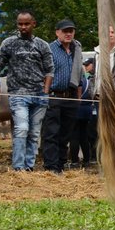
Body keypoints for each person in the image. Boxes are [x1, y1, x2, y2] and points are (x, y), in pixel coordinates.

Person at [0, 10, 54, 172]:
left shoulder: (42, 45)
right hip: (18, 93)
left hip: (39, 95)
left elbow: (49, 70)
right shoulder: (9, 43)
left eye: (26, 24)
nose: (23, 27)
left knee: (34, 133)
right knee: (21, 129)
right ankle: (18, 168)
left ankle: (29, 166)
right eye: (20, 24)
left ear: (33, 24)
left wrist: (46, 91)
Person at [40, 19, 85, 173]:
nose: (68, 34)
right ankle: (51, 166)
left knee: (66, 134)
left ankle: (60, 165)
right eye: (65, 31)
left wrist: (78, 98)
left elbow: (80, 76)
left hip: (71, 97)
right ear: (57, 32)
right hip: (53, 95)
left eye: (71, 31)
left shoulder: (77, 49)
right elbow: (43, 72)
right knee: (51, 132)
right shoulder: (49, 49)